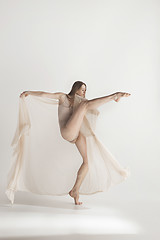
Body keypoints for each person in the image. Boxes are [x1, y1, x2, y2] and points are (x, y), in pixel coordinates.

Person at [18, 81, 131, 205]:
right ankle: (114, 96)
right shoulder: (63, 97)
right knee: (85, 105)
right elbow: (46, 94)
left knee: (87, 161)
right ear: (75, 89)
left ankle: (75, 190)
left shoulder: (79, 102)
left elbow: (90, 106)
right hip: (67, 131)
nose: (84, 92)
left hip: (75, 135)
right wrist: (29, 93)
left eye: (85, 90)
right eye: (82, 90)